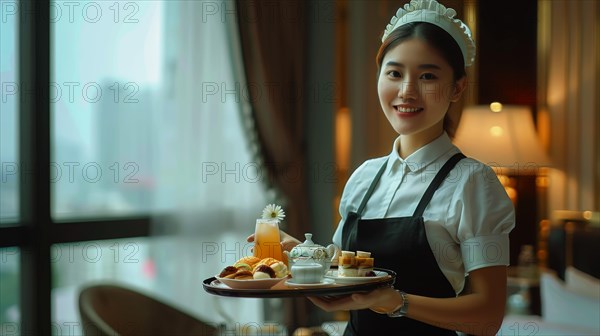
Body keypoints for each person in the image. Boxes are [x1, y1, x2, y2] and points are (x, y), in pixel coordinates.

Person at [249, 0, 515, 335]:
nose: (407, 91)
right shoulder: (364, 177)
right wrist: (303, 253)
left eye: (428, 75)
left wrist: (394, 302)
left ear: (457, 87)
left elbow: (488, 316)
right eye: (394, 73)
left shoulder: (473, 183)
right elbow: (346, 271)